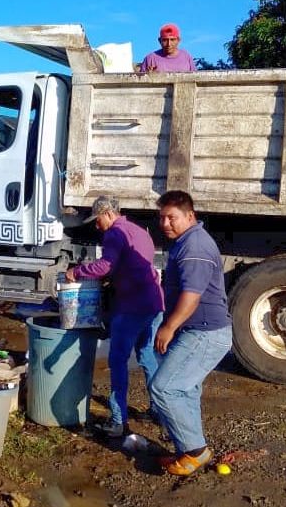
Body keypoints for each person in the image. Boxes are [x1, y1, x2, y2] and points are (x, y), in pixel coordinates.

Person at [65, 196, 164, 437]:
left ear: (108, 214)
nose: (96, 226)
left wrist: (77, 271)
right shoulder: (139, 231)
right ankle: (160, 409)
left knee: (118, 361)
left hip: (132, 305)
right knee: (147, 354)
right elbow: (134, 264)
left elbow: (105, 266)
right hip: (154, 301)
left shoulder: (114, 233)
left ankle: (119, 421)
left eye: (97, 220)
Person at [149, 191, 232, 476]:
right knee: (185, 388)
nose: (165, 224)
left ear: (190, 216)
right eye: (162, 218)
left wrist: (168, 327)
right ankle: (191, 449)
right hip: (198, 330)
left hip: (205, 333)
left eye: (172, 218)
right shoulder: (186, 241)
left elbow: (191, 296)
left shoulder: (194, 246)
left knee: (164, 388)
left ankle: (195, 452)